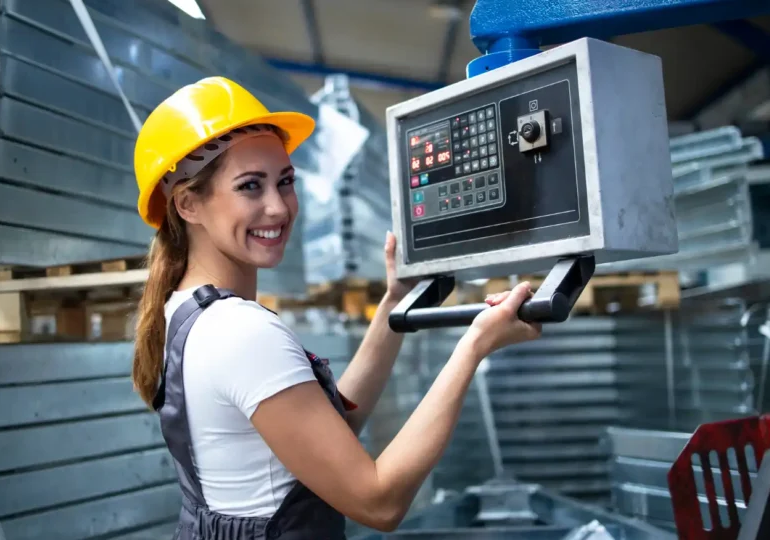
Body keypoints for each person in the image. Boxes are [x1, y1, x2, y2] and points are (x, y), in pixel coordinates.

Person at [131, 76, 542, 540]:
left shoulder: (185, 313)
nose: (279, 207)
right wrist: (474, 347)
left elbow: (329, 435)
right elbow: (379, 502)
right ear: (187, 204)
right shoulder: (240, 332)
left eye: (285, 182)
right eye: (250, 186)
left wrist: (394, 303)